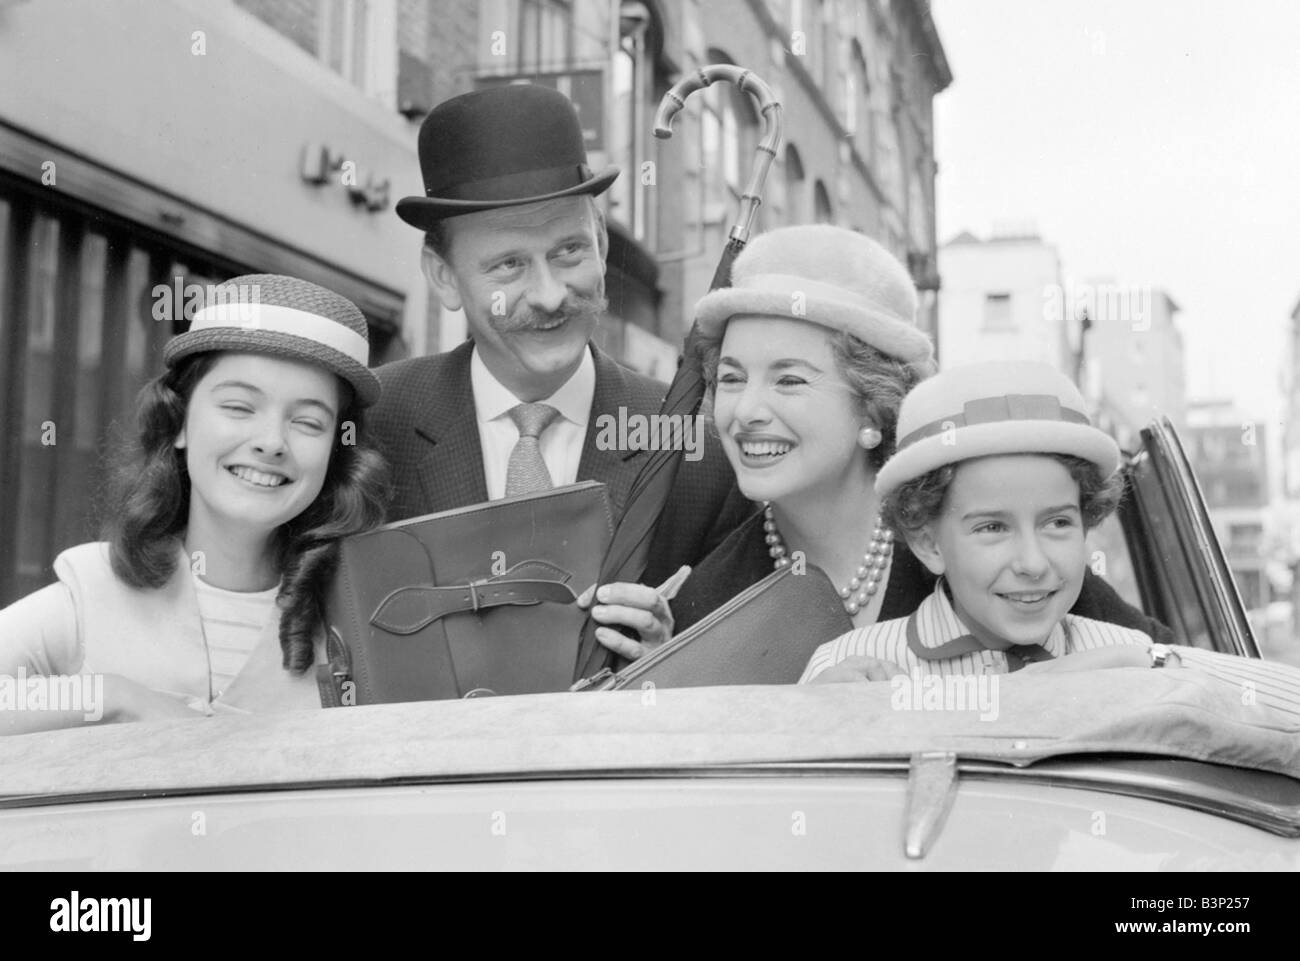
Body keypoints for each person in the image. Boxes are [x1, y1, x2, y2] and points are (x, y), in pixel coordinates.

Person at [668, 225, 1173, 650]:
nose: (747, 411)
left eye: (789, 380)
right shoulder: (708, 603)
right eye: (732, 379)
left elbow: (1175, 673)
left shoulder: (981, 538)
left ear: (874, 403)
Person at [379, 84, 751, 658]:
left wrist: (670, 661)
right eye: (509, 265)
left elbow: (736, 672)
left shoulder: (701, 457)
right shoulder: (374, 426)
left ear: (602, 243)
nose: (551, 296)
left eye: (569, 251)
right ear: (444, 277)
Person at [800, 361, 1300, 720]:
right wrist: (810, 723)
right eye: (992, 527)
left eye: (1057, 523)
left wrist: (1154, 663)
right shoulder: (850, 668)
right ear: (928, 542)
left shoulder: (1126, 654)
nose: (1033, 562)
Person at [0, 275, 390, 731]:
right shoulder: (95, 592)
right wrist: (112, 697)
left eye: (308, 422)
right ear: (180, 423)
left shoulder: (356, 619)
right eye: (239, 408)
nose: (271, 442)